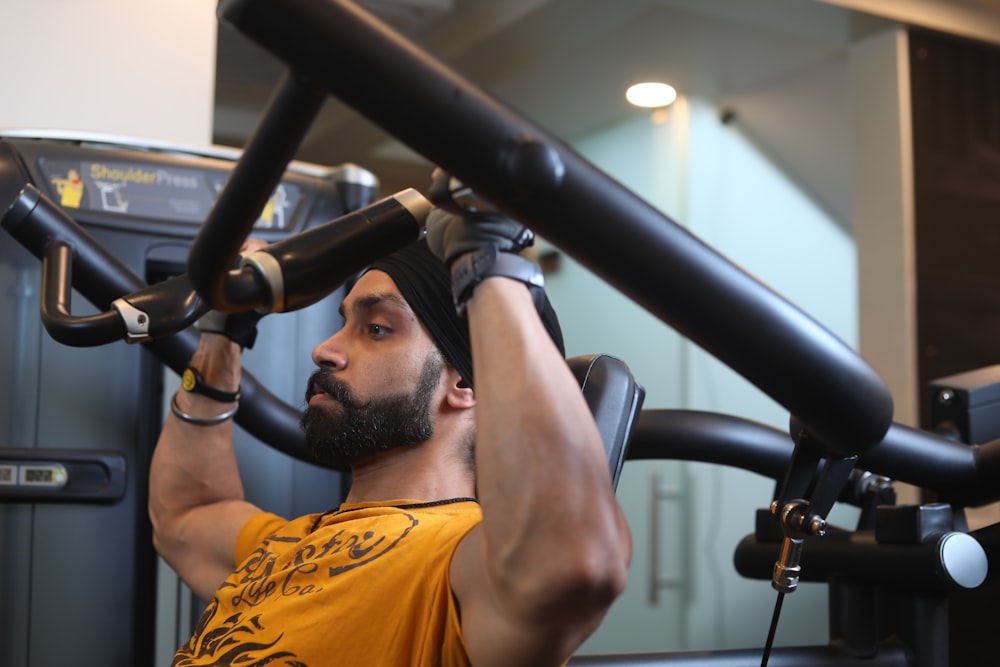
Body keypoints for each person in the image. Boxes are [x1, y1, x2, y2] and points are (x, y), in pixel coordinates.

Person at [148, 204, 632, 666]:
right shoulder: (285, 545)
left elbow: (576, 561)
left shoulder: (460, 567)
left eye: (376, 328)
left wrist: (487, 263)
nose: (323, 349)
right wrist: (222, 337)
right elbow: (186, 514)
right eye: (344, 324)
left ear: (465, 381)